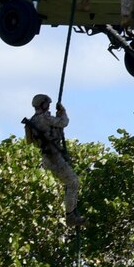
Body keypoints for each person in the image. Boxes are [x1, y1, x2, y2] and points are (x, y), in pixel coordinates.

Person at [22, 94, 80, 223]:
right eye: (47, 104)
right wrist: (63, 112)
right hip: (55, 158)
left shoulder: (32, 122)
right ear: (43, 105)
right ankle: (70, 215)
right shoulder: (45, 118)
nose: (48, 107)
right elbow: (64, 123)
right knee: (73, 182)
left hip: (47, 158)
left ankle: (71, 210)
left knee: (69, 182)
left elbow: (29, 141)